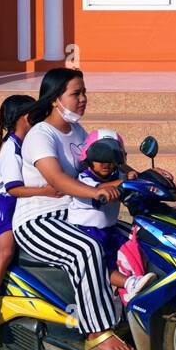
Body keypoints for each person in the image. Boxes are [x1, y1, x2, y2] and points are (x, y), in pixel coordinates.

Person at [11, 66, 137, 350]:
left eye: (84, 93)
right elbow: (56, 179)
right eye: (76, 93)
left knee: (129, 239)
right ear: (55, 99)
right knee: (88, 249)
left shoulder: (80, 133)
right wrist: (95, 192)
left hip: (74, 215)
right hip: (39, 222)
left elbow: (103, 163)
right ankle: (96, 332)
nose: (83, 99)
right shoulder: (41, 135)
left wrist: (137, 174)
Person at [0, 95, 62, 337]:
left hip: (28, 203)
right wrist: (46, 191)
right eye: (35, 114)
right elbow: (12, 187)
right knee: (7, 251)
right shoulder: (12, 146)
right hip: (6, 206)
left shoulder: (32, 143)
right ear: (25, 118)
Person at [75, 130, 154, 304]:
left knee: (138, 246)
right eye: (100, 158)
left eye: (111, 159)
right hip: (88, 231)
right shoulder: (83, 180)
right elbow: (100, 188)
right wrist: (126, 180)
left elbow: (130, 180)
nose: (106, 164)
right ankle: (129, 283)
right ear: (88, 158)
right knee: (100, 264)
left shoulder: (117, 175)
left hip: (110, 229)